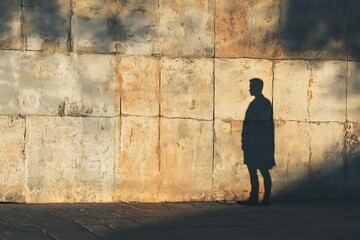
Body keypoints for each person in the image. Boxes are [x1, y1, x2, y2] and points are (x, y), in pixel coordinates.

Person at [240, 78, 275, 206]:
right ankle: (254, 197)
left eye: (251, 86)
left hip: (260, 145)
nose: (250, 89)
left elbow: (261, 125)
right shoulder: (255, 103)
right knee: (253, 170)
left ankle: (266, 198)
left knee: (263, 171)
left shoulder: (264, 104)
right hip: (253, 144)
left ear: (257, 88)